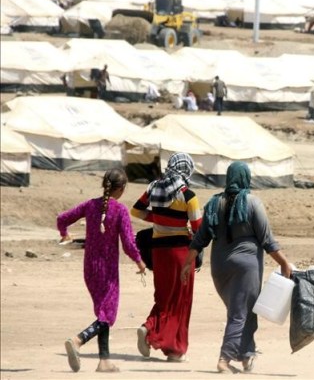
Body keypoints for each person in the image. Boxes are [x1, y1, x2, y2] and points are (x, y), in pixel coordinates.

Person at [180, 161, 292, 374]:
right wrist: (284, 263)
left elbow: (200, 238)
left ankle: (247, 355)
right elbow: (267, 240)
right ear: (246, 178)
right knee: (239, 314)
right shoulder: (252, 203)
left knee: (244, 311)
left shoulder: (214, 203)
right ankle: (225, 358)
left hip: (220, 268)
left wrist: (187, 263)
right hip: (246, 267)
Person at [57, 168, 146, 373]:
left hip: (89, 268)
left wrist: (65, 235)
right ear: (122, 189)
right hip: (108, 270)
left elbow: (62, 218)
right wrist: (139, 262)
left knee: (103, 312)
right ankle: (79, 339)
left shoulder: (90, 205)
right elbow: (128, 244)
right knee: (109, 314)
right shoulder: (120, 211)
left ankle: (104, 361)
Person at [131, 153, 202, 362]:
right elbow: (199, 228)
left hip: (158, 251)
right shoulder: (188, 195)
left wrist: (159, 218)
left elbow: (136, 211)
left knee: (163, 297)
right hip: (181, 254)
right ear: (187, 169)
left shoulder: (153, 187)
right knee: (180, 300)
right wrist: (181, 226)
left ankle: (149, 327)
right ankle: (175, 349)